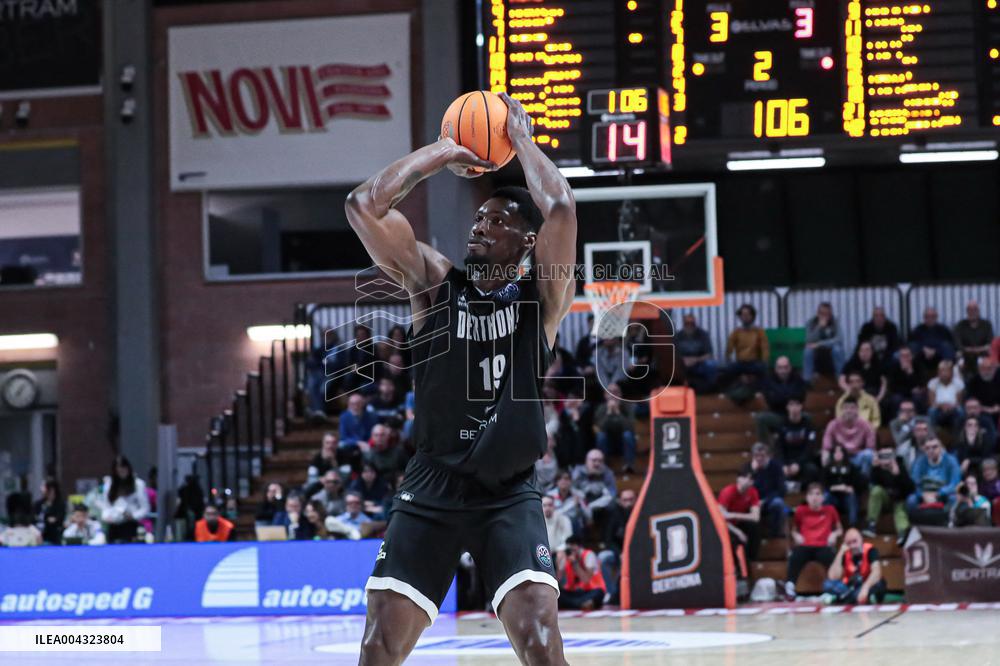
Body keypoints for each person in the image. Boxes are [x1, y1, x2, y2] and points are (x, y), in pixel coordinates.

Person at [346, 92, 575, 664]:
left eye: (496, 220)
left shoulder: (541, 298)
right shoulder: (434, 284)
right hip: (431, 487)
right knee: (377, 649)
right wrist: (445, 149)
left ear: (526, 243)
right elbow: (363, 206)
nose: (479, 227)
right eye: (477, 217)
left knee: (543, 645)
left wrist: (518, 139)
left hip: (507, 494)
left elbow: (563, 210)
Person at [785, 483, 843, 599]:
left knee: (831, 557)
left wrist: (833, 534)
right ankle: (790, 586)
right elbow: (794, 530)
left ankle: (834, 587)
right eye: (811, 494)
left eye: (818, 494)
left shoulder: (830, 510)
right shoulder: (801, 510)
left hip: (823, 546)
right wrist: (796, 535)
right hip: (805, 545)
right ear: (807, 497)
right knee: (795, 556)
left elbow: (840, 529)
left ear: (823, 497)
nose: (814, 497)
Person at [864, 444, 915, 540]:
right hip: (885, 499)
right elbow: (872, 484)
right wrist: (875, 468)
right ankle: (872, 524)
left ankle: (902, 533)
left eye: (888, 456)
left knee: (900, 511)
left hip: (899, 499)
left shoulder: (900, 465)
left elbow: (910, 488)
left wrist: (898, 475)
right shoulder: (877, 468)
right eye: (883, 456)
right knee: (876, 490)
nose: (886, 459)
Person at [823, 528, 886, 605]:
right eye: (849, 543)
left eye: (855, 541)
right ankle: (850, 597)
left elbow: (877, 572)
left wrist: (865, 587)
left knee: (879, 583)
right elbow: (832, 576)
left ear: (861, 539)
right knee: (827, 584)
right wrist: (840, 553)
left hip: (867, 584)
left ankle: (844, 598)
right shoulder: (845, 553)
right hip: (851, 587)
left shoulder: (870, 550)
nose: (852, 546)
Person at [99, 455, 151, 544]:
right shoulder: (109, 485)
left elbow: (145, 508)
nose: (121, 470)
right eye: (118, 468)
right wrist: (107, 516)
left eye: (123, 467)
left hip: (130, 525)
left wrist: (133, 516)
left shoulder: (138, 484)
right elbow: (106, 506)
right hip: (114, 525)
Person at [754, 356, 807, 441]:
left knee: (808, 417)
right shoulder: (769, 380)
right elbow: (771, 400)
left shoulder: (797, 379)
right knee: (761, 418)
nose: (783, 371)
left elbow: (801, 397)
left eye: (785, 367)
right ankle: (766, 449)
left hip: (795, 414)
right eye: (780, 368)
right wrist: (790, 397)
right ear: (775, 369)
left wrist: (781, 396)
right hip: (777, 415)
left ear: (790, 368)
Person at [597, 488, 635, 605]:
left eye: (631, 499)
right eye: (625, 500)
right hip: (617, 552)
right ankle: (611, 592)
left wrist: (629, 552)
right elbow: (608, 539)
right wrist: (620, 553)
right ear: (620, 501)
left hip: (637, 552)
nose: (628, 503)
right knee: (603, 557)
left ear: (636, 500)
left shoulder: (641, 512)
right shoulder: (614, 513)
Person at [822, 397, 877, 476]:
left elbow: (871, 448)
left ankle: (864, 482)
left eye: (852, 408)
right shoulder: (833, 425)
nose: (849, 410)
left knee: (868, 454)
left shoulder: (866, 425)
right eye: (846, 408)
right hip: (840, 458)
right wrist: (825, 460)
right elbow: (826, 448)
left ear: (857, 410)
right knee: (827, 457)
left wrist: (874, 457)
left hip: (857, 457)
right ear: (841, 410)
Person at [718, 466, 761, 562]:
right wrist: (737, 531)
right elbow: (720, 517)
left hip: (738, 522)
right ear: (738, 479)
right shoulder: (727, 492)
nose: (748, 481)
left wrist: (732, 515)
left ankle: (753, 560)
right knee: (737, 540)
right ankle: (739, 570)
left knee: (754, 527)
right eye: (745, 477)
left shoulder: (753, 492)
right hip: (726, 526)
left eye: (751, 479)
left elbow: (756, 517)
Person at [774, 398, 820, 490]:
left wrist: (798, 464)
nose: (794, 408)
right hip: (787, 460)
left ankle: (799, 487)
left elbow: (810, 448)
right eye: (791, 405)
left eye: (797, 405)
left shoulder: (808, 425)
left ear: (801, 407)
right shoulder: (782, 425)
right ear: (787, 407)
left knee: (812, 470)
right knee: (774, 471)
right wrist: (784, 465)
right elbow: (779, 448)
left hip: (803, 462)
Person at [907, 438, 961, 511]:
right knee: (911, 500)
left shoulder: (951, 461)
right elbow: (914, 484)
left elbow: (955, 484)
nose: (931, 450)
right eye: (927, 448)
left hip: (944, 494)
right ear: (924, 450)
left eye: (934, 447)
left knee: (953, 499)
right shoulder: (919, 462)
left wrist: (938, 493)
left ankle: (947, 520)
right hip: (924, 494)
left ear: (941, 448)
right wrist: (922, 494)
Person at [594, 384, 637, 473]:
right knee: (601, 435)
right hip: (608, 444)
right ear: (605, 395)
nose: (613, 395)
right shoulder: (601, 408)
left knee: (627, 434)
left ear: (620, 395)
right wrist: (609, 413)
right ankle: (603, 465)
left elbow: (630, 427)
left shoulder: (628, 406)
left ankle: (629, 464)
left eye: (616, 392)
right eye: (610, 392)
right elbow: (600, 427)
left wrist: (618, 412)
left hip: (623, 444)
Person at [557, 534, 606, 611]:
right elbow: (558, 579)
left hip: (590, 591)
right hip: (575, 592)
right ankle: (581, 604)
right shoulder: (567, 557)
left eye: (573, 548)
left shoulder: (589, 555)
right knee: (558, 594)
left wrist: (575, 563)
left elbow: (585, 580)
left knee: (599, 593)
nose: (571, 551)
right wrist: (560, 561)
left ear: (579, 547)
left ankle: (580, 604)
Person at [822, 444, 865, 528]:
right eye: (835, 452)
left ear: (844, 454)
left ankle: (853, 525)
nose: (838, 454)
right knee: (826, 496)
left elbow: (860, 483)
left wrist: (852, 488)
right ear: (832, 454)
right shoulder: (827, 468)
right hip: (833, 497)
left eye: (840, 452)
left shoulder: (851, 467)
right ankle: (827, 525)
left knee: (852, 496)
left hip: (846, 498)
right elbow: (824, 484)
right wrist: (839, 487)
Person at [750, 442, 787, 537]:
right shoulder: (749, 468)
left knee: (778, 503)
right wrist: (753, 472)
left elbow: (781, 490)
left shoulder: (776, 467)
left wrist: (765, 501)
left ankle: (775, 535)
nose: (759, 458)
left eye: (762, 455)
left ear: (768, 456)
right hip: (754, 501)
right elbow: (746, 489)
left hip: (769, 500)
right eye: (756, 456)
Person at [803, 302, 845, 383]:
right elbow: (808, 340)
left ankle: (840, 379)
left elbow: (839, 339)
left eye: (827, 314)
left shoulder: (835, 322)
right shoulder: (811, 322)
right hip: (817, 354)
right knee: (807, 350)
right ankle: (807, 381)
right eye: (822, 313)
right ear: (817, 313)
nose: (824, 316)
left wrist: (819, 344)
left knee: (838, 349)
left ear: (830, 314)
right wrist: (819, 327)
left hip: (830, 352)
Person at [676, 313, 717, 393]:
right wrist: (682, 360)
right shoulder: (678, 335)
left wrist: (695, 360)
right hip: (683, 364)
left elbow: (709, 354)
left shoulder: (703, 334)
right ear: (683, 324)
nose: (690, 325)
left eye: (692, 323)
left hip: (699, 363)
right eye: (687, 323)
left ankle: (711, 389)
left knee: (711, 364)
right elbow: (673, 354)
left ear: (695, 323)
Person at [954, 300, 994, 378]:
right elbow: (957, 344)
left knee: (984, 365)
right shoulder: (960, 325)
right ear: (967, 311)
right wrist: (971, 350)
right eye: (970, 310)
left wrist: (976, 350)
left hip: (982, 355)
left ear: (978, 311)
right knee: (958, 367)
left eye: (974, 309)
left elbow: (990, 343)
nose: (972, 312)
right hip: (964, 356)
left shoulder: (986, 325)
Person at [886, 346, 929, 416]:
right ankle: (898, 419)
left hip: (914, 394)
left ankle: (918, 419)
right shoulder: (894, 367)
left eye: (907, 355)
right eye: (903, 356)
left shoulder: (918, 365)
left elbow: (921, 383)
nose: (905, 358)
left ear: (911, 356)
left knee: (918, 398)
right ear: (899, 357)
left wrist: (910, 372)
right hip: (900, 393)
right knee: (895, 399)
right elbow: (892, 386)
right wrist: (909, 390)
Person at [339, 393, 377, 470]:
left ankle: (368, 470)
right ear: (348, 405)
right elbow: (343, 436)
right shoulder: (344, 417)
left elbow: (372, 434)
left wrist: (368, 443)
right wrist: (358, 443)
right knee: (341, 446)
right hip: (350, 443)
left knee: (370, 451)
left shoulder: (370, 416)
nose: (355, 406)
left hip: (366, 443)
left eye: (358, 403)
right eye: (352, 404)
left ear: (362, 404)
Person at [572, 449, 617, 515]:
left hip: (601, 504)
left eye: (600, 461)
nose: (597, 463)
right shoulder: (578, 471)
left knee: (613, 505)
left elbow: (612, 493)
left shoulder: (608, 473)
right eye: (594, 460)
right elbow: (573, 488)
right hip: (583, 501)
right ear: (587, 461)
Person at [547, 470, 591, 534]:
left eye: (566, 479)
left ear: (571, 481)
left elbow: (588, 515)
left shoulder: (579, 494)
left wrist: (579, 505)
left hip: (573, 523)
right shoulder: (550, 495)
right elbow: (549, 514)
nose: (563, 481)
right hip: (555, 523)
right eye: (560, 479)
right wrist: (572, 505)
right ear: (556, 482)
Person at [889, 400, 930, 467]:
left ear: (915, 412)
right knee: (904, 450)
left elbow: (932, 436)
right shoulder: (894, 423)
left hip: (923, 446)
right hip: (905, 450)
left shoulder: (925, 420)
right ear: (899, 412)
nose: (907, 413)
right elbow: (898, 441)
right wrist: (907, 425)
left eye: (910, 410)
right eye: (904, 410)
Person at [928, 359, 965, 428]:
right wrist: (941, 406)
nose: (944, 373)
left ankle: (958, 434)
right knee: (931, 411)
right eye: (941, 371)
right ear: (938, 372)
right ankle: (932, 435)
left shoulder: (959, 383)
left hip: (953, 408)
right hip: (938, 408)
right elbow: (932, 403)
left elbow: (959, 402)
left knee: (961, 411)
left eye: (946, 371)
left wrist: (950, 407)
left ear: (952, 372)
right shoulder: (932, 383)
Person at [34, 476, 66, 545]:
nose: (41, 489)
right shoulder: (38, 504)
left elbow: (58, 520)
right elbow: (34, 518)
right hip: (37, 536)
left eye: (44, 486)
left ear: (52, 489)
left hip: (52, 537)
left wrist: (51, 520)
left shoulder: (60, 504)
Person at [967, 357, 1000, 424]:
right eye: (983, 368)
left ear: (994, 369)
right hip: (980, 410)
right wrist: (983, 408)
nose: (986, 371)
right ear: (979, 369)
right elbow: (970, 400)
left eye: (989, 368)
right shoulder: (973, 381)